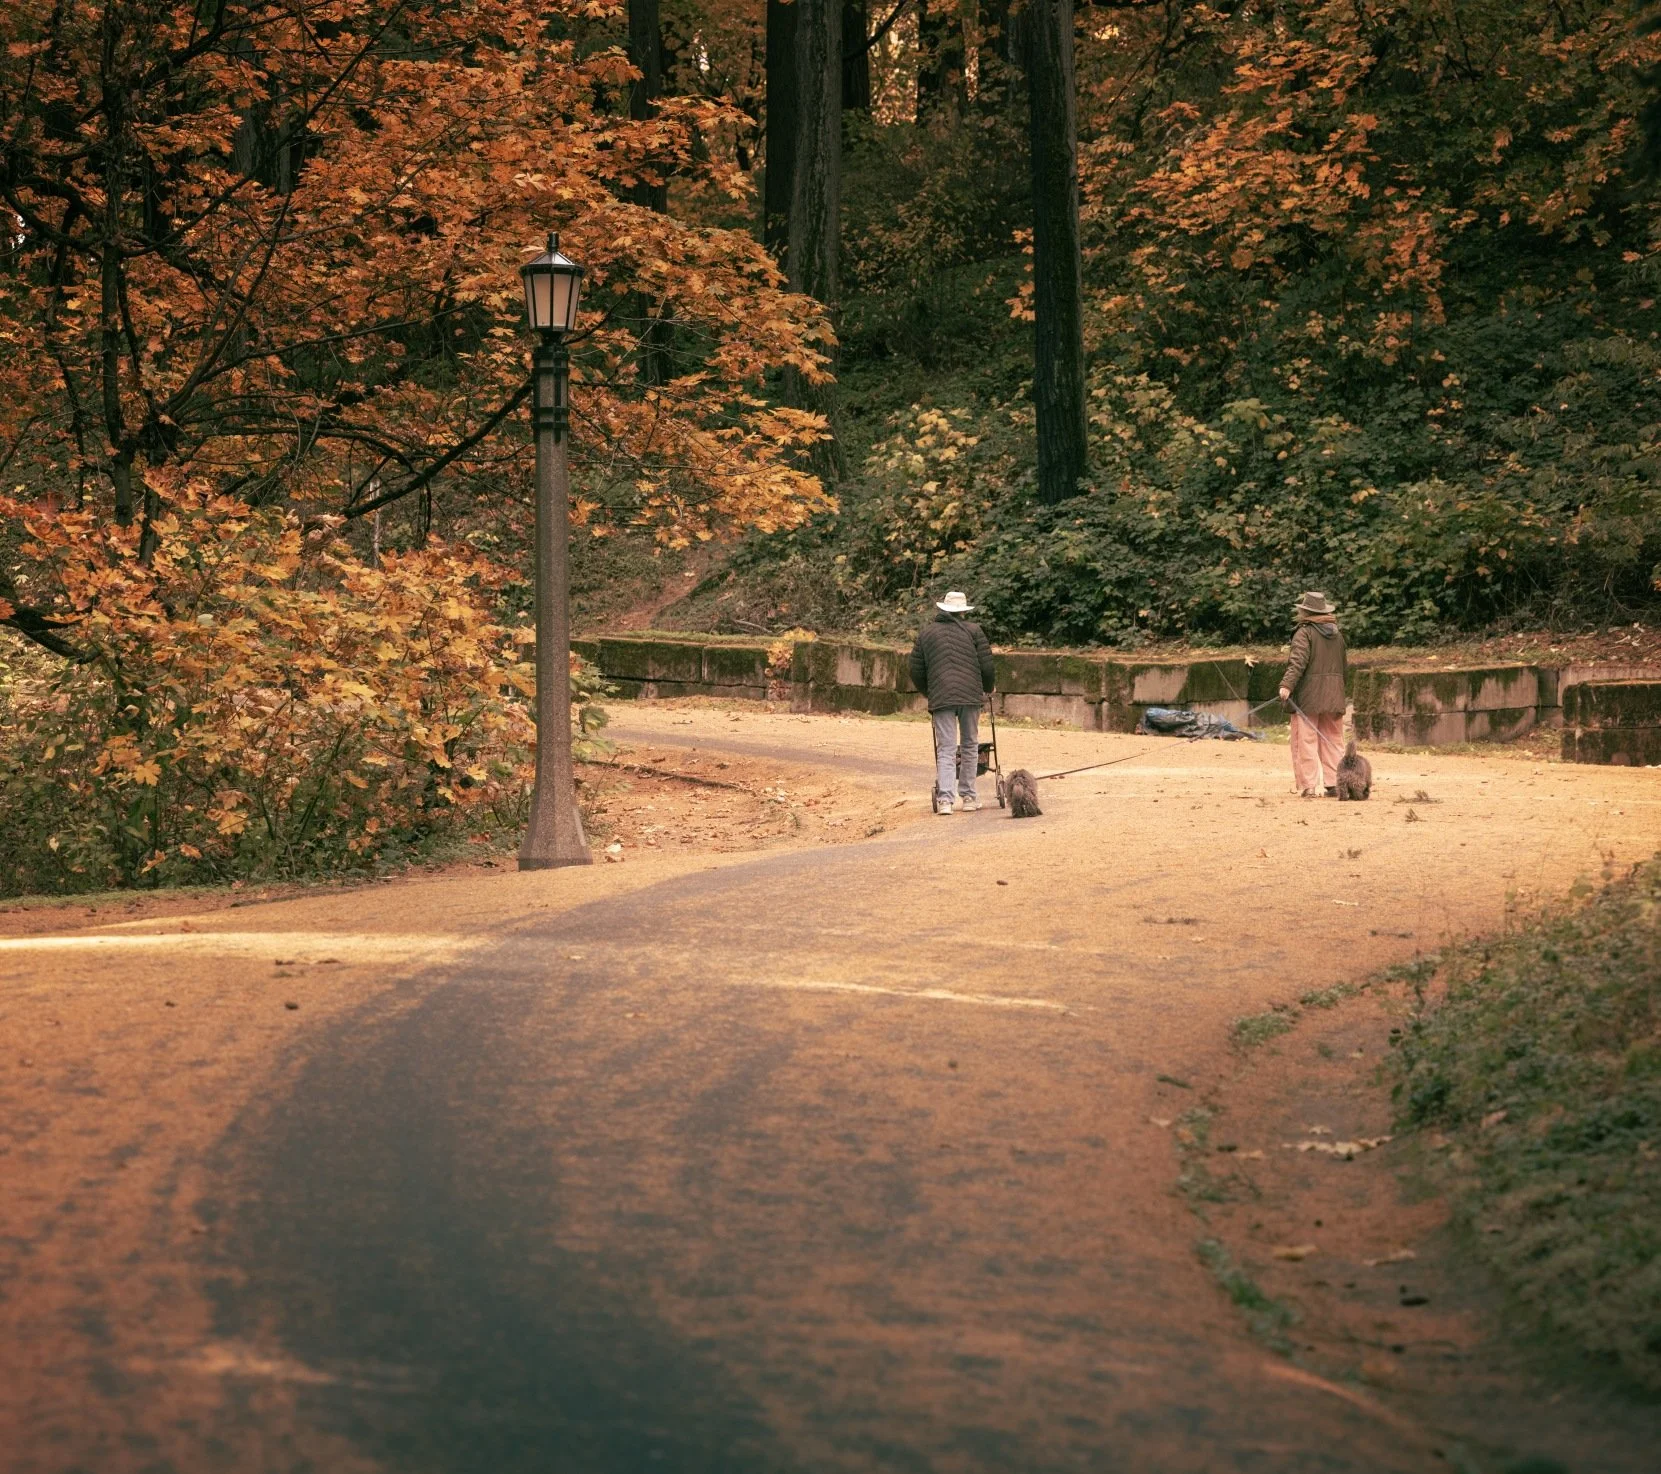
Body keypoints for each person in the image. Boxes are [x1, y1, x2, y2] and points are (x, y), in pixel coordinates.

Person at [908, 591, 996, 814]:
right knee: (969, 745)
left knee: (946, 748)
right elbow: (986, 665)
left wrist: (930, 692)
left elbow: (915, 669)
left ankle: (945, 800)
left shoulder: (926, 634)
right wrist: (988, 688)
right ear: (964, 611)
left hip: (942, 698)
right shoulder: (975, 631)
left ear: (943, 610)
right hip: (970, 696)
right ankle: (968, 796)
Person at [1278, 591, 1348, 798]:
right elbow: (1344, 668)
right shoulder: (1338, 634)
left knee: (1305, 740)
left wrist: (1286, 685)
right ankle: (1335, 783)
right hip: (1335, 694)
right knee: (1333, 739)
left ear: (1305, 612)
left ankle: (1308, 786)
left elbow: (1297, 662)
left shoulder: (1304, 632)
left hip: (1309, 696)